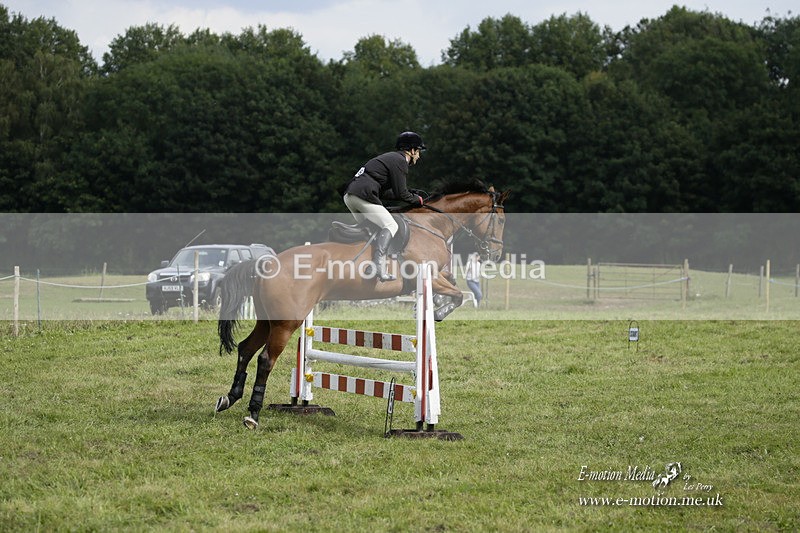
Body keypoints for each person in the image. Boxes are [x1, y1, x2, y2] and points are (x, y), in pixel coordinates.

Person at [343, 131, 426, 282]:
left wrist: (411, 193)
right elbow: (402, 194)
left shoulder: (391, 158)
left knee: (372, 230)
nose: (419, 156)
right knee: (391, 225)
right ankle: (378, 266)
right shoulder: (400, 161)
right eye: (418, 151)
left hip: (351, 196)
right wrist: (418, 200)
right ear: (412, 150)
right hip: (363, 195)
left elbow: (387, 193)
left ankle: (359, 263)